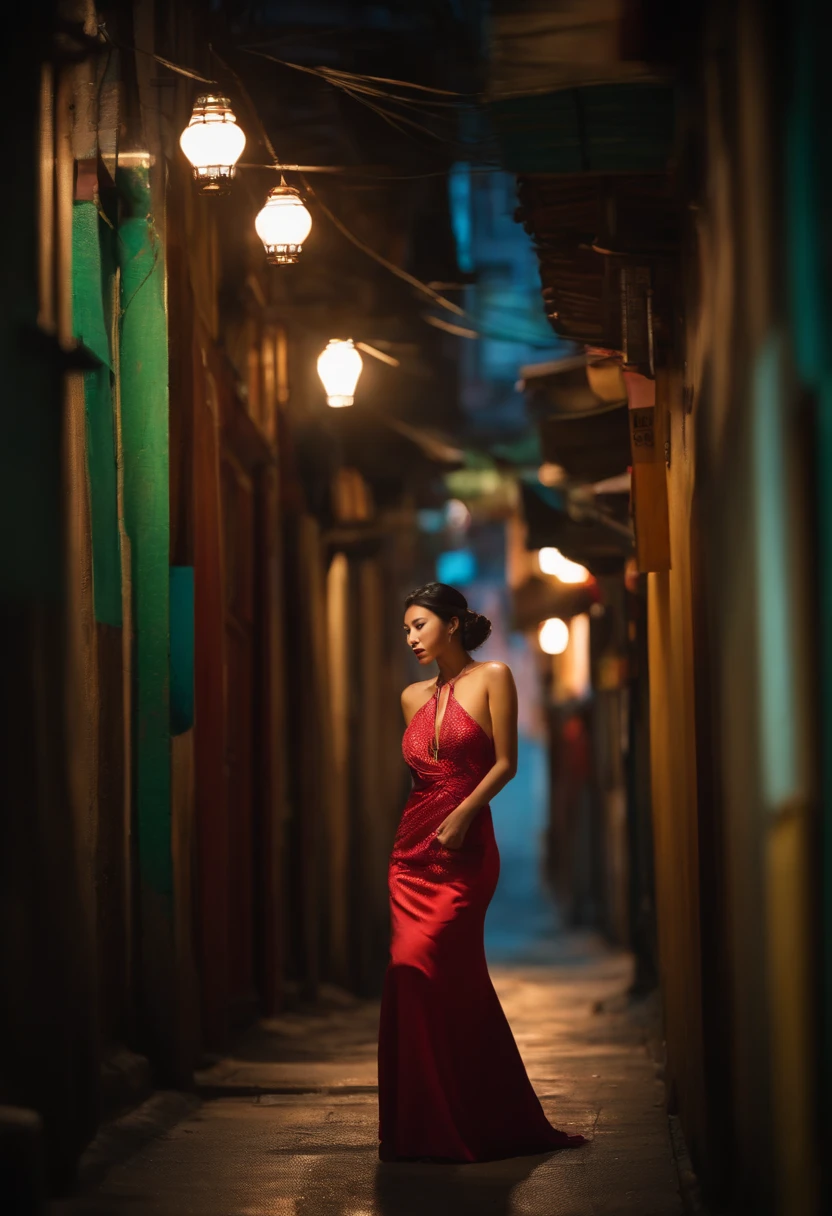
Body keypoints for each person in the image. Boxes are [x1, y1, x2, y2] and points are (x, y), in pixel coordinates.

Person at [377, 582, 586, 1163]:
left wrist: (465, 816)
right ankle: (421, 1121)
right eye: (406, 630)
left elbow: (506, 764)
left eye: (419, 624)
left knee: (431, 967)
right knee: (409, 972)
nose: (412, 637)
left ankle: (474, 1115)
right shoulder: (410, 697)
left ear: (451, 623)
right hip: (411, 852)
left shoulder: (495, 675)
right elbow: (420, 781)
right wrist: (427, 831)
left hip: (467, 851)